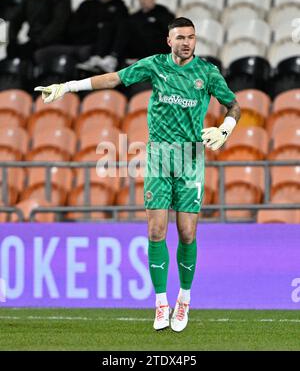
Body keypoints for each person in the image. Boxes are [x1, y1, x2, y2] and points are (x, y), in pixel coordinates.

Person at [34, 17, 241, 332]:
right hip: (159, 157)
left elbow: (234, 106)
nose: (187, 42)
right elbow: (114, 79)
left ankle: (183, 299)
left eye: (191, 37)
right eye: (180, 37)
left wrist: (226, 128)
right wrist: (68, 86)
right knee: (156, 231)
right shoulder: (155, 66)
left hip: (190, 158)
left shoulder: (207, 73)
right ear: (168, 41)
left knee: (187, 233)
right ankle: (161, 303)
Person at [7, 0, 71, 61]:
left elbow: (57, 24)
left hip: (54, 43)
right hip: (32, 41)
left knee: (27, 57)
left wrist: (38, 42)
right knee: (11, 57)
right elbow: (16, 18)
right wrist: (12, 40)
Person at [74, 0, 128, 73]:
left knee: (116, 26)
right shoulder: (87, 5)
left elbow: (121, 30)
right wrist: (96, 28)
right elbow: (74, 28)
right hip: (89, 41)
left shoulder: (121, 7)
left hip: (111, 45)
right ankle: (97, 58)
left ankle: (111, 59)